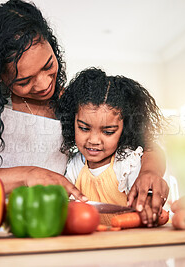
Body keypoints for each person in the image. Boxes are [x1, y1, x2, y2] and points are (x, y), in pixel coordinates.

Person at [0, 0, 168, 226]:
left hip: (51, 226)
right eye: (24, 81)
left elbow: (147, 147)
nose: (45, 84)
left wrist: (150, 172)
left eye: (48, 65)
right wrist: (28, 175)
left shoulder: (68, 100)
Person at [57, 68, 167, 226]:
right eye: (84, 128)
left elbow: (142, 193)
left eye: (108, 132)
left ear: (125, 129)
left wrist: (147, 204)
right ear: (71, 122)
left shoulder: (128, 162)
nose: (94, 140)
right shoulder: (75, 165)